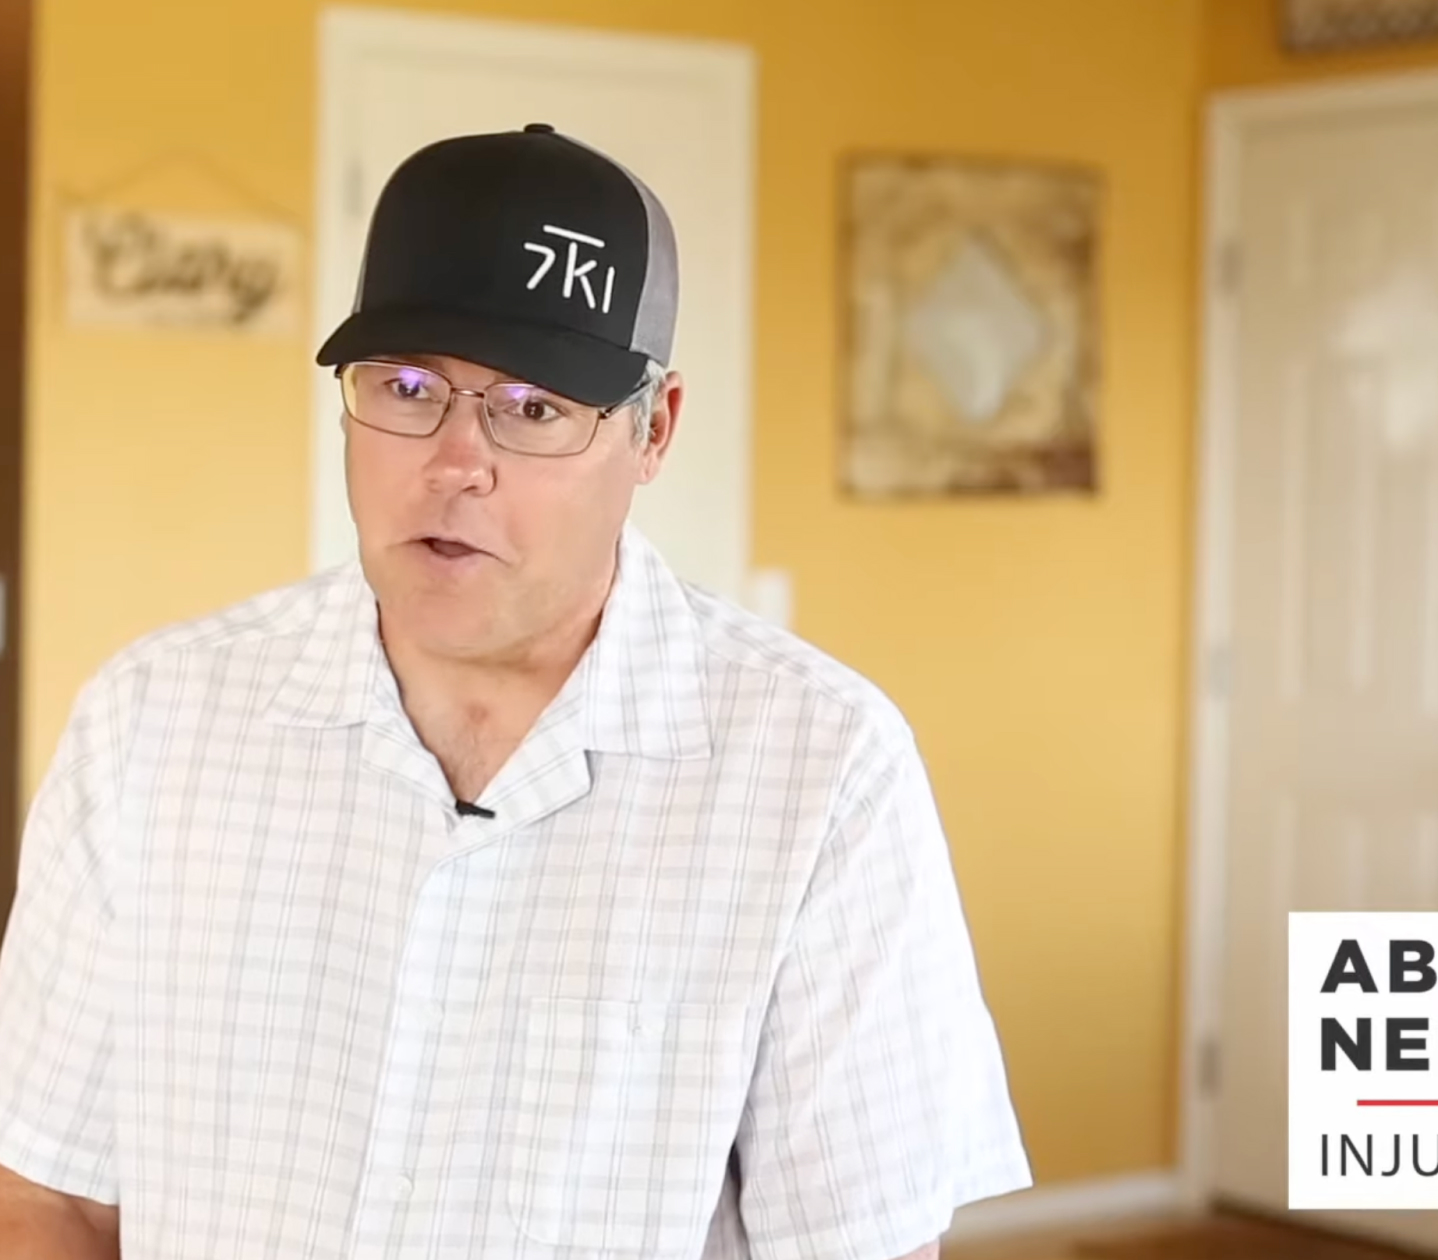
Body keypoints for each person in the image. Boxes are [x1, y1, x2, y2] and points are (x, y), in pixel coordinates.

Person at [0, 124, 1030, 1259]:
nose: (455, 462)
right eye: (405, 387)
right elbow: (47, 1197)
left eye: (533, 407)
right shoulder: (150, 726)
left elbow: (862, 1246)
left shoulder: (825, 772)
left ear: (655, 432)